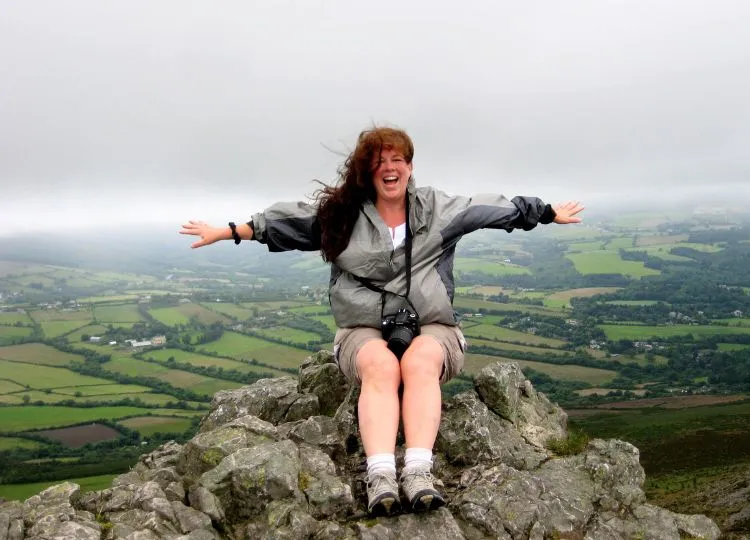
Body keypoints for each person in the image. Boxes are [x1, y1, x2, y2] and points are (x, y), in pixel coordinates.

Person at [180, 125, 584, 516]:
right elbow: (284, 225)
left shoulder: (437, 209)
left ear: (409, 166)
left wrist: (547, 212)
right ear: (365, 170)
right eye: (378, 161)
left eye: (397, 159)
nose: (389, 168)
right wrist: (227, 231)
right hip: (362, 329)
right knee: (381, 366)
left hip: (432, 325)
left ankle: (419, 474)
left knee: (419, 361)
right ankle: (381, 478)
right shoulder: (341, 215)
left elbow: (492, 209)